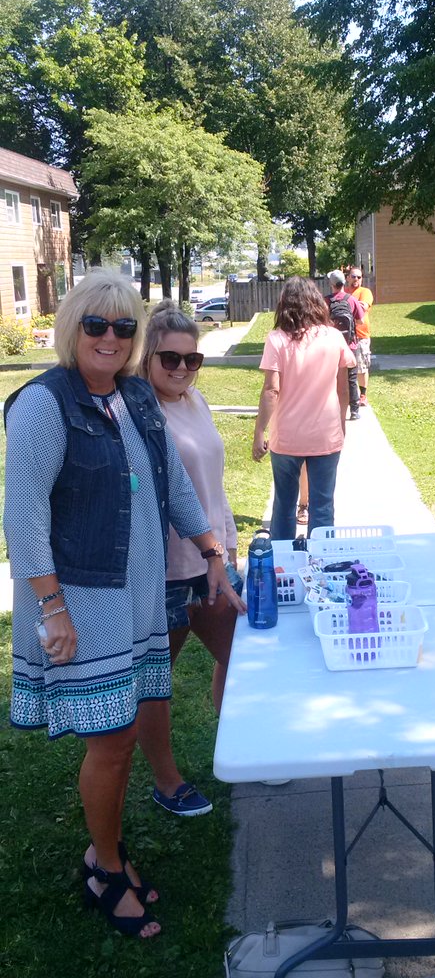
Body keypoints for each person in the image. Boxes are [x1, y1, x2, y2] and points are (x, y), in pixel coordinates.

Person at [4, 270, 239, 940]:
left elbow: (171, 486)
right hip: (80, 600)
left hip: (135, 596)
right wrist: (52, 610)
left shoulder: (135, 399)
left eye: (123, 327)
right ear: (71, 328)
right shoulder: (44, 405)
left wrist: (212, 549)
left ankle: (105, 853)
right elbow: (22, 519)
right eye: (96, 325)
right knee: (111, 742)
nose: (110, 338)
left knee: (125, 733)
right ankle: (104, 867)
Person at [136, 301, 246, 817]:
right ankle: (167, 780)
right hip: (166, 573)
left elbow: (213, 487)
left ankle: (242, 747)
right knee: (156, 684)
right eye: (170, 359)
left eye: (191, 359)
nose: (182, 369)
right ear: (146, 356)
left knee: (241, 658)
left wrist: (226, 543)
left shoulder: (194, 401)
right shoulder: (138, 411)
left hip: (212, 564)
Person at [252, 276, 355, 539]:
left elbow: (271, 389)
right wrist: (341, 425)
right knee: (323, 506)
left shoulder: (276, 339)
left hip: (286, 437)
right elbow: (343, 390)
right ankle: (320, 565)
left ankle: (282, 565)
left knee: (284, 505)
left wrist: (259, 431)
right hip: (325, 435)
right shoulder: (334, 337)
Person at [325, 269, 364, 420]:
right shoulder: (351, 299)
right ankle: (354, 411)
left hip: (331, 346)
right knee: (351, 378)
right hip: (350, 345)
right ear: (344, 282)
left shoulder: (325, 301)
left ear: (331, 284)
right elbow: (360, 321)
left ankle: (333, 408)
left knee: (332, 377)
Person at [346, 266, 374, 407]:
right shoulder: (343, 291)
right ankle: (348, 394)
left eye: (359, 277)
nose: (356, 279)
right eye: (353, 276)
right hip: (344, 335)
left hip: (361, 335)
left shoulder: (365, 292)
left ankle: (362, 395)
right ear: (347, 278)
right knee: (344, 367)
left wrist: (346, 304)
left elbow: (363, 307)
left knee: (361, 367)